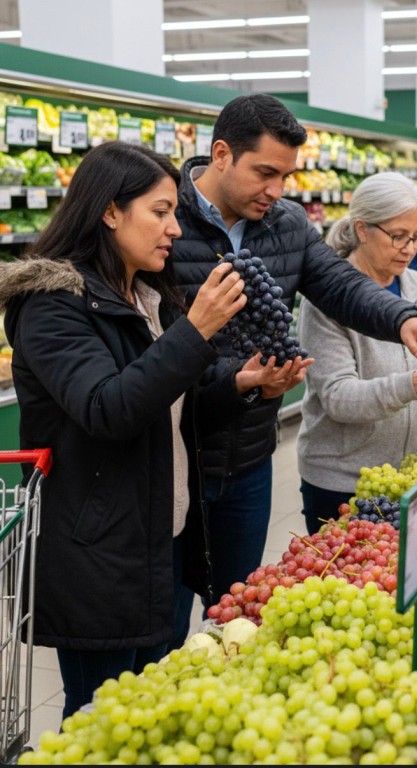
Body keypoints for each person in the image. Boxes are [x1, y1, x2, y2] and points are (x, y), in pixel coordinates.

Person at [170, 93, 417, 630]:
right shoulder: (164, 219)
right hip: (174, 457)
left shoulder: (286, 222)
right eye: (265, 173)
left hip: (249, 455)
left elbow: (340, 284)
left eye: (286, 176)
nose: (276, 191)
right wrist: (234, 380)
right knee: (162, 626)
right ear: (222, 154)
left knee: (236, 616)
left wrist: (401, 318)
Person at [0, 142, 252, 719]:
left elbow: (167, 416)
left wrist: (242, 386)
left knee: (153, 708)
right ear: (110, 211)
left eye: (175, 214)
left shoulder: (147, 297)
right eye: (160, 212)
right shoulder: (52, 304)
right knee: (101, 721)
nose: (175, 230)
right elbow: (108, 409)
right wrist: (194, 332)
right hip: (100, 555)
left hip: (161, 539)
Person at [296, 173, 417, 534]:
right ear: (362, 229)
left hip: (410, 469)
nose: (409, 249)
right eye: (398, 236)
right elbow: (338, 397)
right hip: (343, 479)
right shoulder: (327, 301)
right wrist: (412, 385)